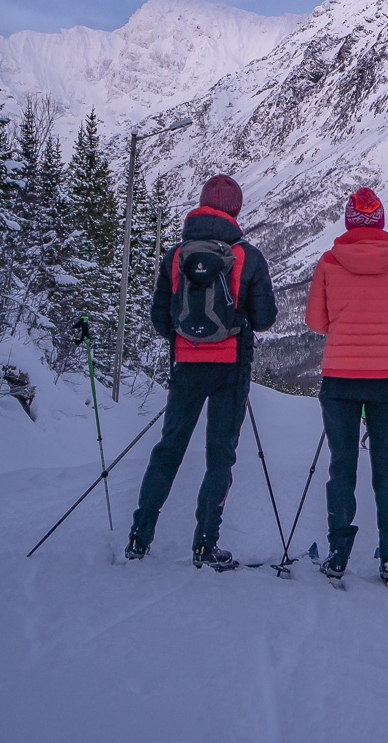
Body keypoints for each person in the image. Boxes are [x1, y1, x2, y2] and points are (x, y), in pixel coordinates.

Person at [126, 174, 278, 570]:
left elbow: (161, 321)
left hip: (187, 366)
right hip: (230, 368)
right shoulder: (248, 257)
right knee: (219, 458)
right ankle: (205, 546)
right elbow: (264, 320)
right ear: (236, 210)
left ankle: (139, 539)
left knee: (168, 450)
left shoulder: (175, 255)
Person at [305, 188, 388, 589]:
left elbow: (316, 323)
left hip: (339, 376)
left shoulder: (328, 262)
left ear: (349, 221)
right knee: (387, 466)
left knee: (343, 464)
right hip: (387, 376)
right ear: (382, 220)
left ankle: (338, 554)